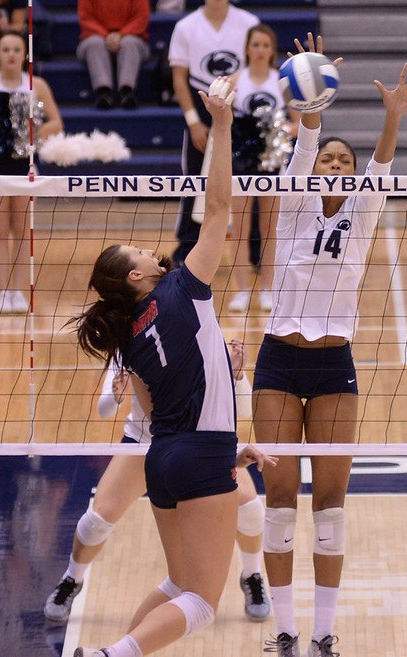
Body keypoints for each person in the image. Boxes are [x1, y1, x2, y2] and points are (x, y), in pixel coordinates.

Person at [70, 76, 276, 657]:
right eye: (136, 251)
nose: (146, 247)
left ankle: (113, 650)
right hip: (198, 452)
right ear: (136, 277)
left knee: (179, 583)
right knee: (203, 602)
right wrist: (224, 123)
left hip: (162, 456)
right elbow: (218, 208)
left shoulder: (127, 339)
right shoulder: (187, 287)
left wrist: (224, 445)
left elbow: (159, 409)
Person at [253, 34, 407, 657]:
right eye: (327, 161)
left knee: (329, 502)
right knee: (278, 499)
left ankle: (324, 632)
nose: (332, 167)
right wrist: (314, 109)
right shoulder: (297, 204)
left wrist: (392, 117)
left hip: (333, 364)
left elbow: (381, 164)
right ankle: (283, 631)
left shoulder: (363, 211)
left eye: (341, 165)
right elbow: (303, 145)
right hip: (277, 358)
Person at [43, 340, 272, 626]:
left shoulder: (209, 340)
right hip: (143, 444)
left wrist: (237, 376)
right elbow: (104, 410)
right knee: (97, 521)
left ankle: (251, 575)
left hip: (200, 443)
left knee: (251, 510)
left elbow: (246, 411)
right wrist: (114, 396)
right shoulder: (133, 341)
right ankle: (72, 579)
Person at [168, 0, 259, 267]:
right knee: (195, 182)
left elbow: (257, 65)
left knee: (247, 185)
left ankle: (255, 252)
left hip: (240, 111)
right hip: (201, 107)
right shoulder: (185, 26)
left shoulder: (248, 22)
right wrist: (193, 121)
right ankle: (186, 250)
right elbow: (179, 78)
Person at [0, 30, 62, 315]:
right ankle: (3, 292)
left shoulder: (37, 85)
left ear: (24, 54)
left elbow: (56, 122)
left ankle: (18, 292)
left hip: (24, 166)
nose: (11, 55)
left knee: (22, 231)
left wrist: (31, 133)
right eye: (5, 49)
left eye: (16, 49)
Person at [227, 23, 299, 314]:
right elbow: (222, 121)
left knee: (270, 229)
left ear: (272, 50)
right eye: (255, 45)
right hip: (241, 162)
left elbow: (298, 123)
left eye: (265, 45)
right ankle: (241, 291)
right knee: (240, 228)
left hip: (272, 162)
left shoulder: (281, 81)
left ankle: (268, 289)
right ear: (247, 48)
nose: (259, 50)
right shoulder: (234, 80)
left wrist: (275, 134)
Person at [76, 0, 150, 110]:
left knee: (129, 43)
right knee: (95, 43)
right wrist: (106, 36)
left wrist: (121, 35)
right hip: (95, 38)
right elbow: (86, 19)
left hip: (132, 38)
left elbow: (141, 18)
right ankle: (104, 93)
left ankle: (127, 92)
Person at [0, 0, 25, 74]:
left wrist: (7, 28)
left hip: (4, 42)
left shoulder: (18, 2)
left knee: (12, 44)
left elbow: (19, 26)